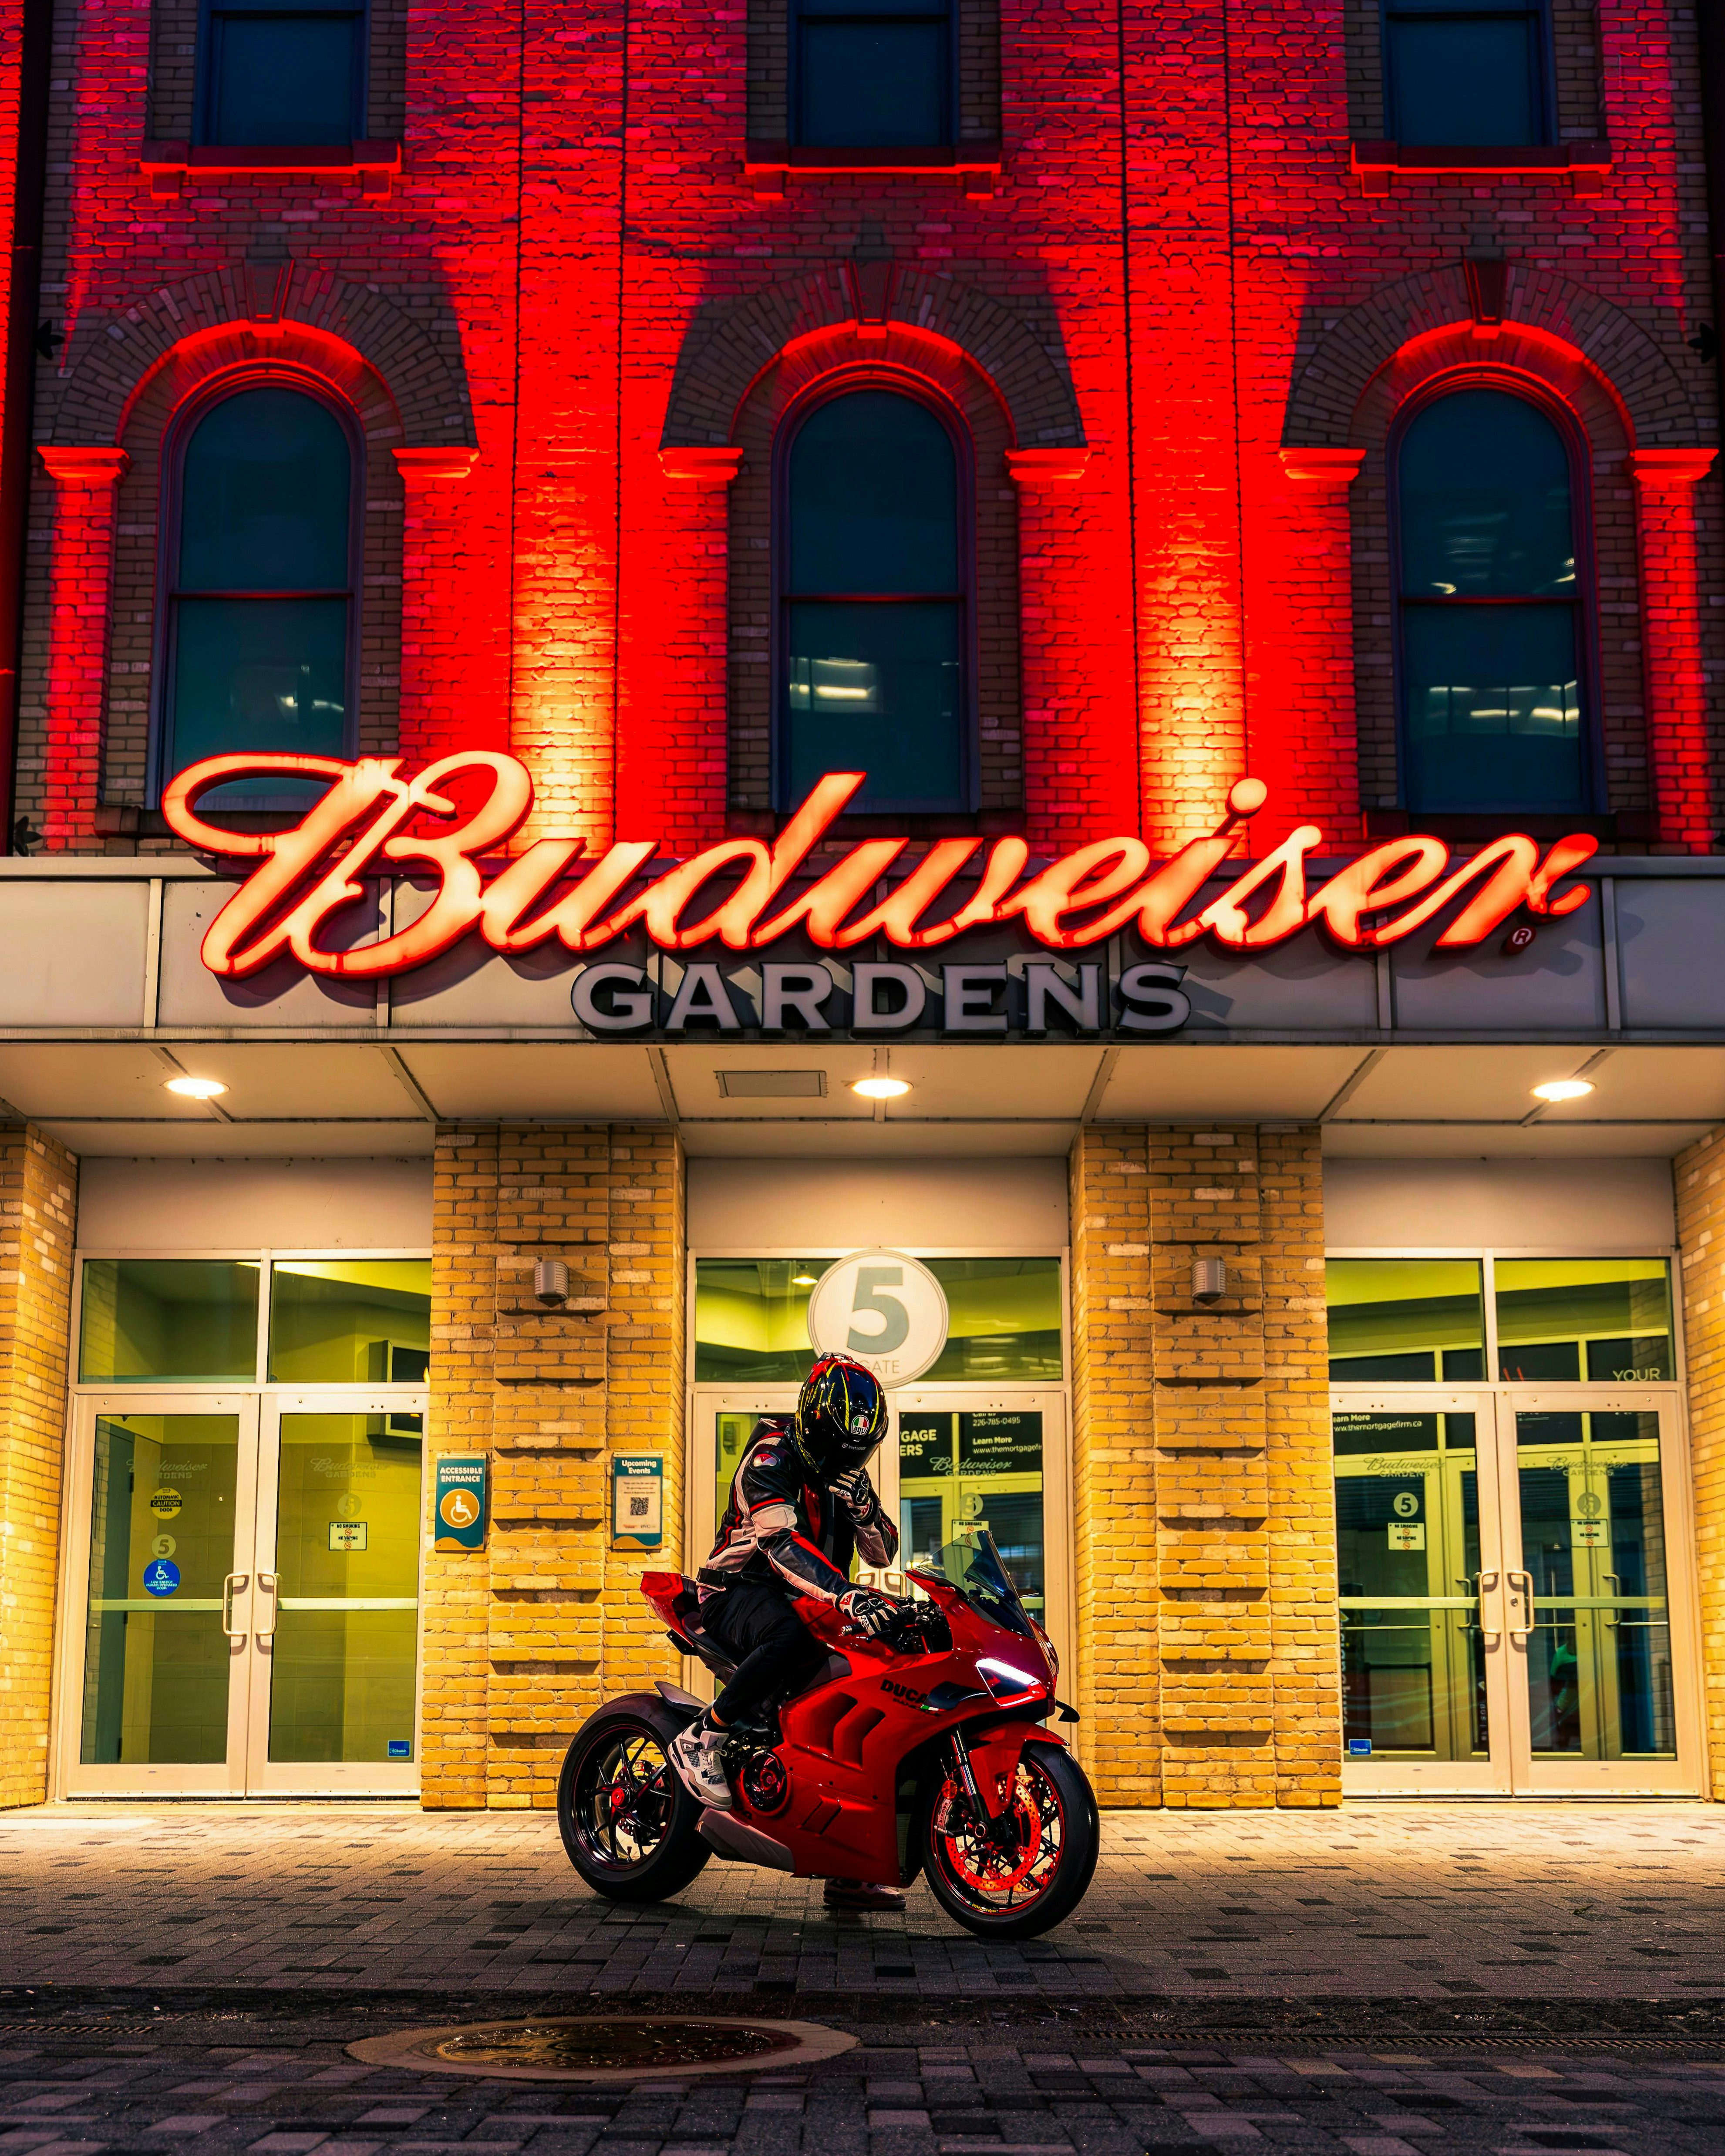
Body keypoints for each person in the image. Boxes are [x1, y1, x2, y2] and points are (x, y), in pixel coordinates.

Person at [670, 1352, 908, 1911]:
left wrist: (865, 1508)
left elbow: (883, 1550)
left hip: (811, 1594)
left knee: (877, 1677)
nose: (845, 1460)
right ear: (809, 1422)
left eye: (858, 1451)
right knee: (788, 1641)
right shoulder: (769, 1457)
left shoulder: (845, 1472)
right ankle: (704, 1733)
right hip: (738, 1591)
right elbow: (779, 1546)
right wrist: (848, 1593)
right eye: (836, 1447)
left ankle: (849, 1865)